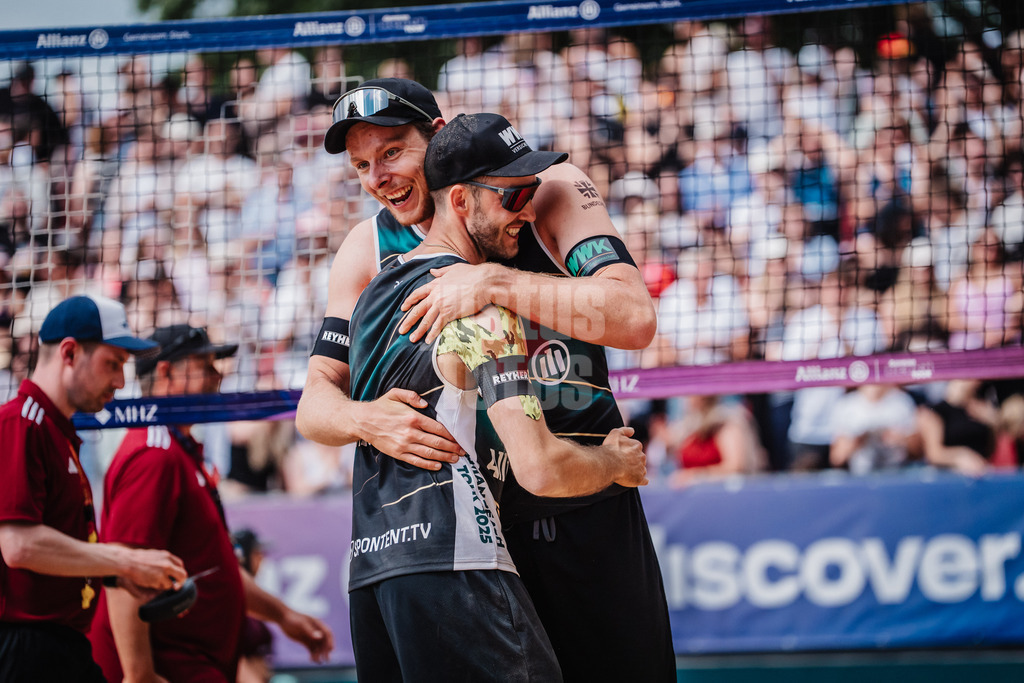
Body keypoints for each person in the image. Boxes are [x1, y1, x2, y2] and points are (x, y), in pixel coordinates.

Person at [297, 78, 674, 681]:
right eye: (362, 165)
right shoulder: (367, 247)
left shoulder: (541, 191)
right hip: (475, 529)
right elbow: (315, 401)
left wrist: (494, 282)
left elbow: (634, 318)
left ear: (440, 140)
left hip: (581, 500)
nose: (377, 178)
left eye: (393, 152)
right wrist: (365, 419)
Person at [89, 324, 333, 683]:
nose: (218, 377)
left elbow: (216, 569)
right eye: (204, 365)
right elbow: (124, 569)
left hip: (194, 662)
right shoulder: (153, 455)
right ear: (166, 372)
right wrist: (139, 675)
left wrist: (284, 616)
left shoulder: (178, 451)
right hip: (169, 667)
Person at [0, 294, 187, 683]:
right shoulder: (21, 423)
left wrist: (117, 575)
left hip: (55, 645)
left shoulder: (55, 430)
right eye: (113, 363)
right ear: (69, 353)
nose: (120, 381)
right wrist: (125, 561)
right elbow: (20, 547)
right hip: (25, 647)